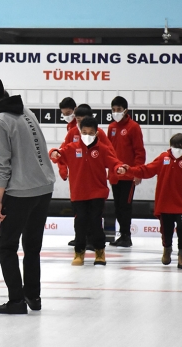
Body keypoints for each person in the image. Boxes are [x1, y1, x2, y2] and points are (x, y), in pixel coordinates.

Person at [0, 74, 56, 315]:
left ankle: (16, 300)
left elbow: (3, 166)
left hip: (20, 192)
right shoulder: (27, 112)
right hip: (44, 188)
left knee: (6, 247)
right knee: (32, 246)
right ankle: (33, 296)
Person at [124, 133, 182, 269]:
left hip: (181, 205)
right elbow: (147, 170)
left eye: (180, 147)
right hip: (164, 203)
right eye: (174, 146)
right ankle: (167, 248)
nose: (177, 149)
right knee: (166, 230)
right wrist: (130, 170)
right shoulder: (163, 158)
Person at [49, 117, 127, 266]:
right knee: (80, 222)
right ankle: (79, 252)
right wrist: (54, 153)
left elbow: (114, 162)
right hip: (78, 193)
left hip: (97, 192)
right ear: (80, 131)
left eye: (91, 132)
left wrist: (119, 168)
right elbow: (58, 153)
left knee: (96, 222)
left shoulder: (102, 150)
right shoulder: (72, 148)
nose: (87, 135)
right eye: (84, 132)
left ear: (96, 133)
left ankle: (99, 251)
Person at [60, 104, 110, 249]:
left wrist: (114, 171)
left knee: (94, 216)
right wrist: (63, 168)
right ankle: (80, 239)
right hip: (78, 181)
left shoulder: (99, 133)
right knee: (79, 215)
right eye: (77, 119)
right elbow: (62, 152)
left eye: (82, 119)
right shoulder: (72, 132)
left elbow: (110, 154)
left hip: (95, 182)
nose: (79, 122)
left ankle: (94, 240)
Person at [107, 96, 146, 248]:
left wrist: (138, 172)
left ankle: (126, 236)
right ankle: (121, 235)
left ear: (126, 110)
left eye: (119, 110)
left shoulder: (133, 127)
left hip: (129, 175)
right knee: (117, 206)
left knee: (125, 206)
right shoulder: (111, 127)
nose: (116, 112)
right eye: (114, 110)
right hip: (115, 174)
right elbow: (108, 151)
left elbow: (139, 151)